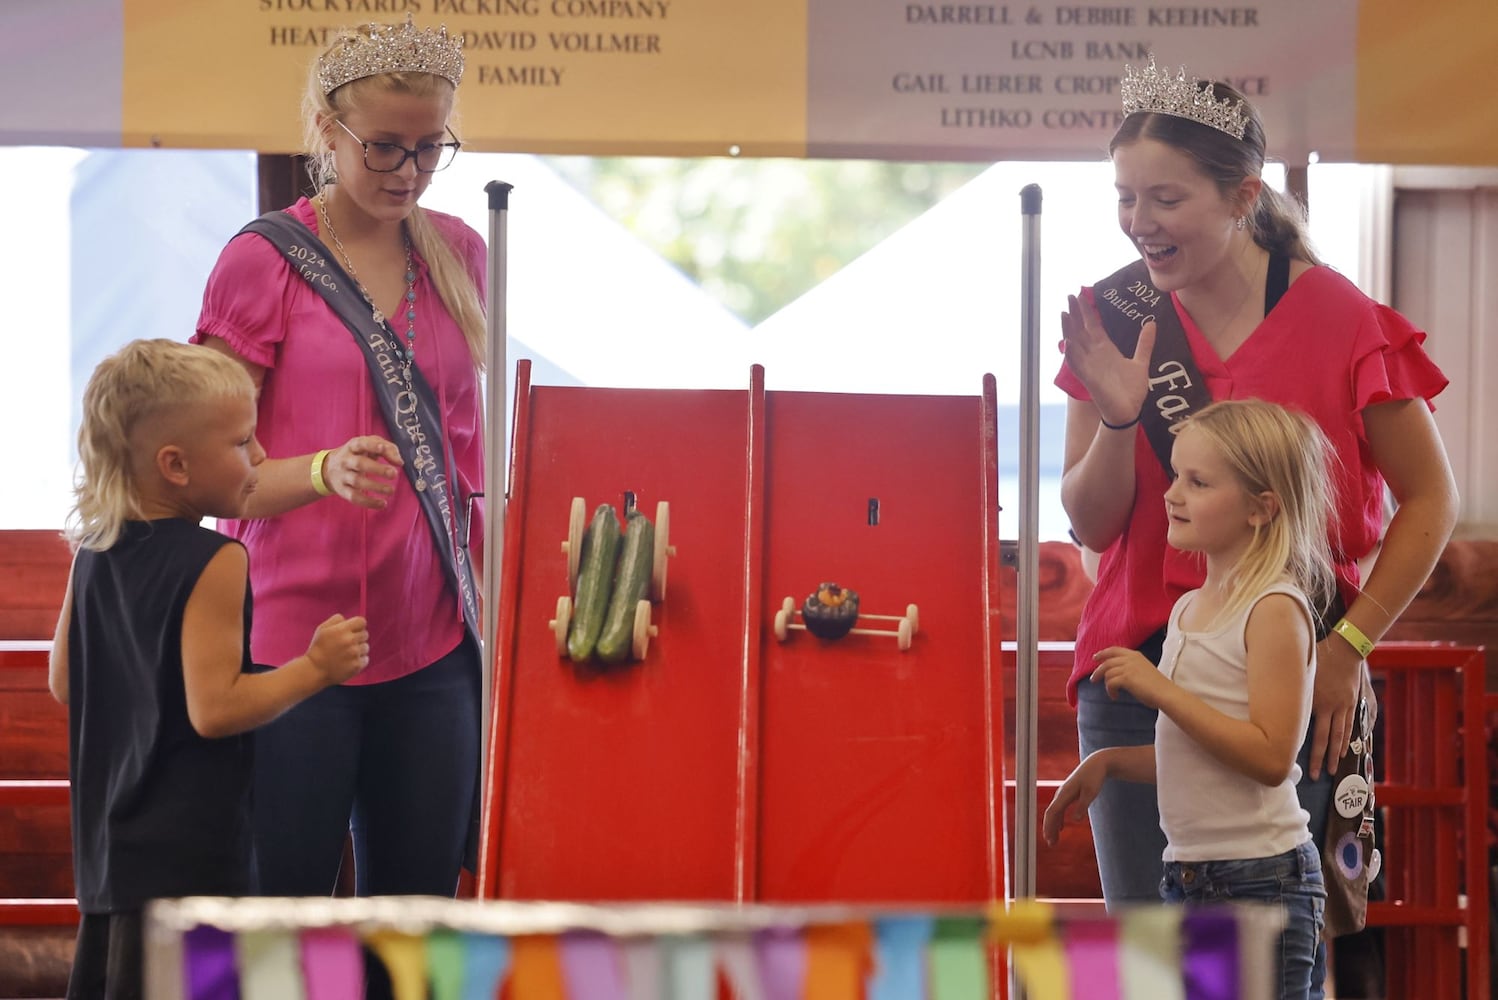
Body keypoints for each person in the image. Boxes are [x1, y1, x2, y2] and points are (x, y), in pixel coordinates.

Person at [1056, 54, 1458, 915]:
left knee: (1269, 955)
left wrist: (1350, 648)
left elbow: (1432, 499)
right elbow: (1091, 526)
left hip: (1286, 669)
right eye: (1125, 198)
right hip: (1138, 664)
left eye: (1167, 200)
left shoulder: (1341, 318)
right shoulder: (1116, 314)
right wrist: (1121, 417)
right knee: (1156, 967)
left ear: (1243, 197)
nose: (1140, 223)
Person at [193, 16, 488, 898]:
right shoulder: (261, 260)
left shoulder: (461, 252)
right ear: (328, 132)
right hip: (289, 651)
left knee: (418, 916)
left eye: (431, 148)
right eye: (386, 149)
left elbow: (473, 460)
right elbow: (211, 460)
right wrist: (320, 469)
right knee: (274, 913)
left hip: (431, 643)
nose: (409, 173)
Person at [49, 339, 369, 999]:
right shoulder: (216, 559)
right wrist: (313, 668)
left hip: (110, 857)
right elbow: (216, 709)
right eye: (241, 442)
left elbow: (64, 681)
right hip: (187, 862)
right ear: (176, 465)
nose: (257, 457)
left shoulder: (94, 552)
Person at [1045, 399, 1335, 999]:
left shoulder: (1275, 609)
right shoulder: (1189, 607)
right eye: (1175, 475)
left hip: (1261, 879)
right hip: (1189, 875)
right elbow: (1200, 753)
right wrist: (1110, 763)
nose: (1172, 494)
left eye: (1198, 482)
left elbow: (1270, 757)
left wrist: (1161, 690)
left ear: (1262, 508)